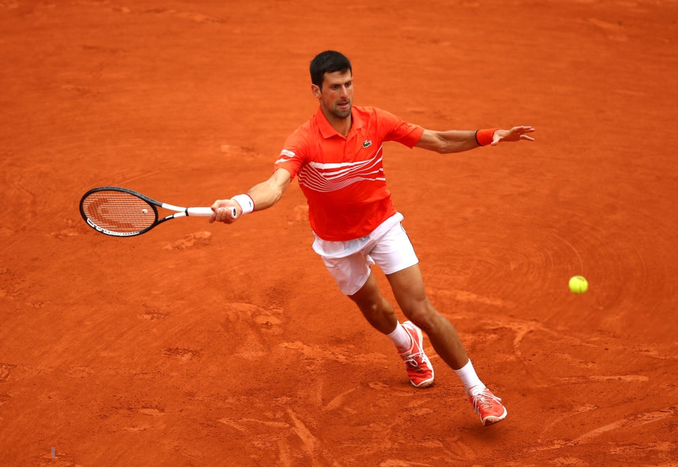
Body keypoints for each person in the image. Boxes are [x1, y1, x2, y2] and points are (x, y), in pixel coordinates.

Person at [210, 50, 534, 426]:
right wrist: (241, 203)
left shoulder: (375, 121)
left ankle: (478, 391)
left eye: (348, 84)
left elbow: (440, 140)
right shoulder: (304, 140)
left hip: (382, 226)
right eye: (334, 87)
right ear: (317, 91)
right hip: (336, 241)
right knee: (376, 311)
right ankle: (406, 345)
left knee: (420, 310)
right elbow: (275, 185)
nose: (344, 93)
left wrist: (492, 136)